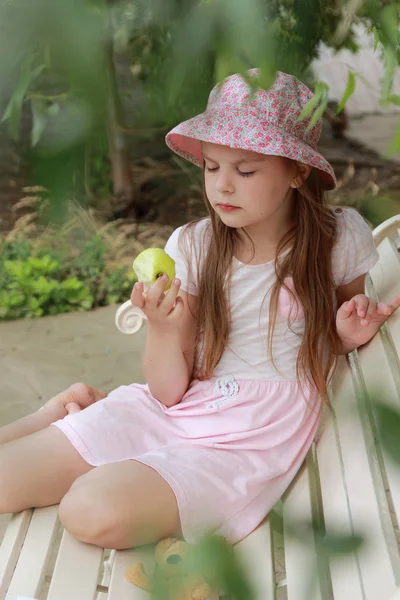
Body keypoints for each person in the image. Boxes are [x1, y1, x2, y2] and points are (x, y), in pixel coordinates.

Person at [1, 69, 399, 551]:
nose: (223, 187)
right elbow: (169, 393)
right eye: (212, 167)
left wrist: (345, 334)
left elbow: (325, 339)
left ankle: (95, 442)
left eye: (245, 170)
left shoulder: (336, 240)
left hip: (245, 439)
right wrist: (165, 330)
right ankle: (54, 413)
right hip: (173, 409)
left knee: (90, 511)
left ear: (297, 171)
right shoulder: (193, 245)